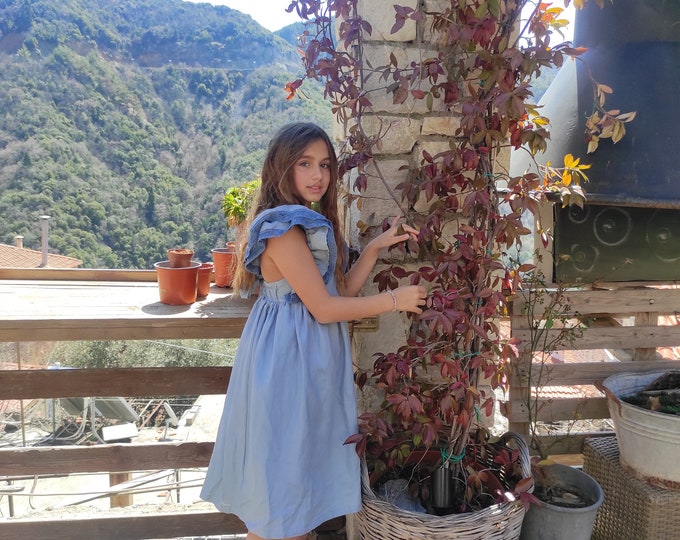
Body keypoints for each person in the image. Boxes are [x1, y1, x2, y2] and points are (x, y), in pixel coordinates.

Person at [200, 122, 427, 540]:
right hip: (287, 361)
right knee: (281, 491)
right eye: (304, 163)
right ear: (281, 167)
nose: (317, 175)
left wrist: (374, 247)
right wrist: (396, 300)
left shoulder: (305, 223)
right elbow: (324, 310)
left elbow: (340, 292)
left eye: (324, 164)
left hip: (303, 356)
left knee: (294, 487)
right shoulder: (282, 230)